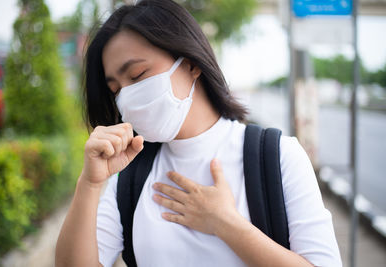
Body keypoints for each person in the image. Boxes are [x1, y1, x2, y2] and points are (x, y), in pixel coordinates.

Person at [55, 0, 342, 266]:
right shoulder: (131, 174)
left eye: (138, 75)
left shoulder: (278, 156)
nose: (127, 96)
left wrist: (226, 223)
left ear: (190, 62)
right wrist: (90, 185)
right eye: (116, 89)